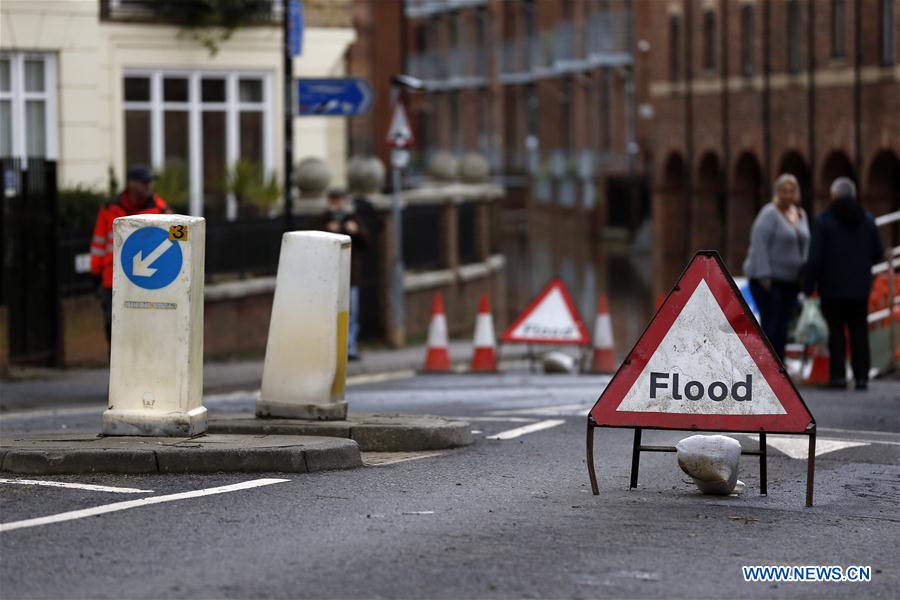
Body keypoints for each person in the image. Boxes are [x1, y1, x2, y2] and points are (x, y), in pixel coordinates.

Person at [804, 177, 884, 390]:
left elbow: (815, 258)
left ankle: (838, 376)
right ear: (854, 195)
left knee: (836, 331)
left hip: (832, 286)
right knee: (859, 330)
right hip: (860, 286)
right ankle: (861, 377)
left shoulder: (824, 221)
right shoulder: (867, 219)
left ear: (834, 195)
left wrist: (809, 285)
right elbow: (878, 252)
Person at [90, 165, 171, 347]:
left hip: (147, 282)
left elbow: (172, 246)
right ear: (131, 183)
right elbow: (98, 244)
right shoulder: (110, 208)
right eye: (144, 182)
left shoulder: (161, 209)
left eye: (150, 182)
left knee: (144, 333)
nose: (148, 186)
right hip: (113, 281)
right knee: (114, 331)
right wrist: (95, 274)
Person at [743, 173, 810, 361]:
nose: (788, 195)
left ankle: (779, 367)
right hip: (768, 280)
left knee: (783, 325)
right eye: (784, 190)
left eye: (791, 190)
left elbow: (806, 243)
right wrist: (764, 274)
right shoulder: (769, 214)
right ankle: (766, 365)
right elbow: (759, 243)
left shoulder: (800, 214)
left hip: (791, 280)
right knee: (771, 325)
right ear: (777, 192)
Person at [318, 188, 370, 360]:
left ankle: (350, 348)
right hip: (327, 276)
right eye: (333, 199)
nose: (336, 203)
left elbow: (367, 242)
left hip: (350, 276)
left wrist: (356, 231)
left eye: (339, 199)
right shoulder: (321, 219)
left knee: (351, 313)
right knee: (329, 313)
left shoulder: (352, 219)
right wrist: (326, 229)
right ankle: (329, 349)